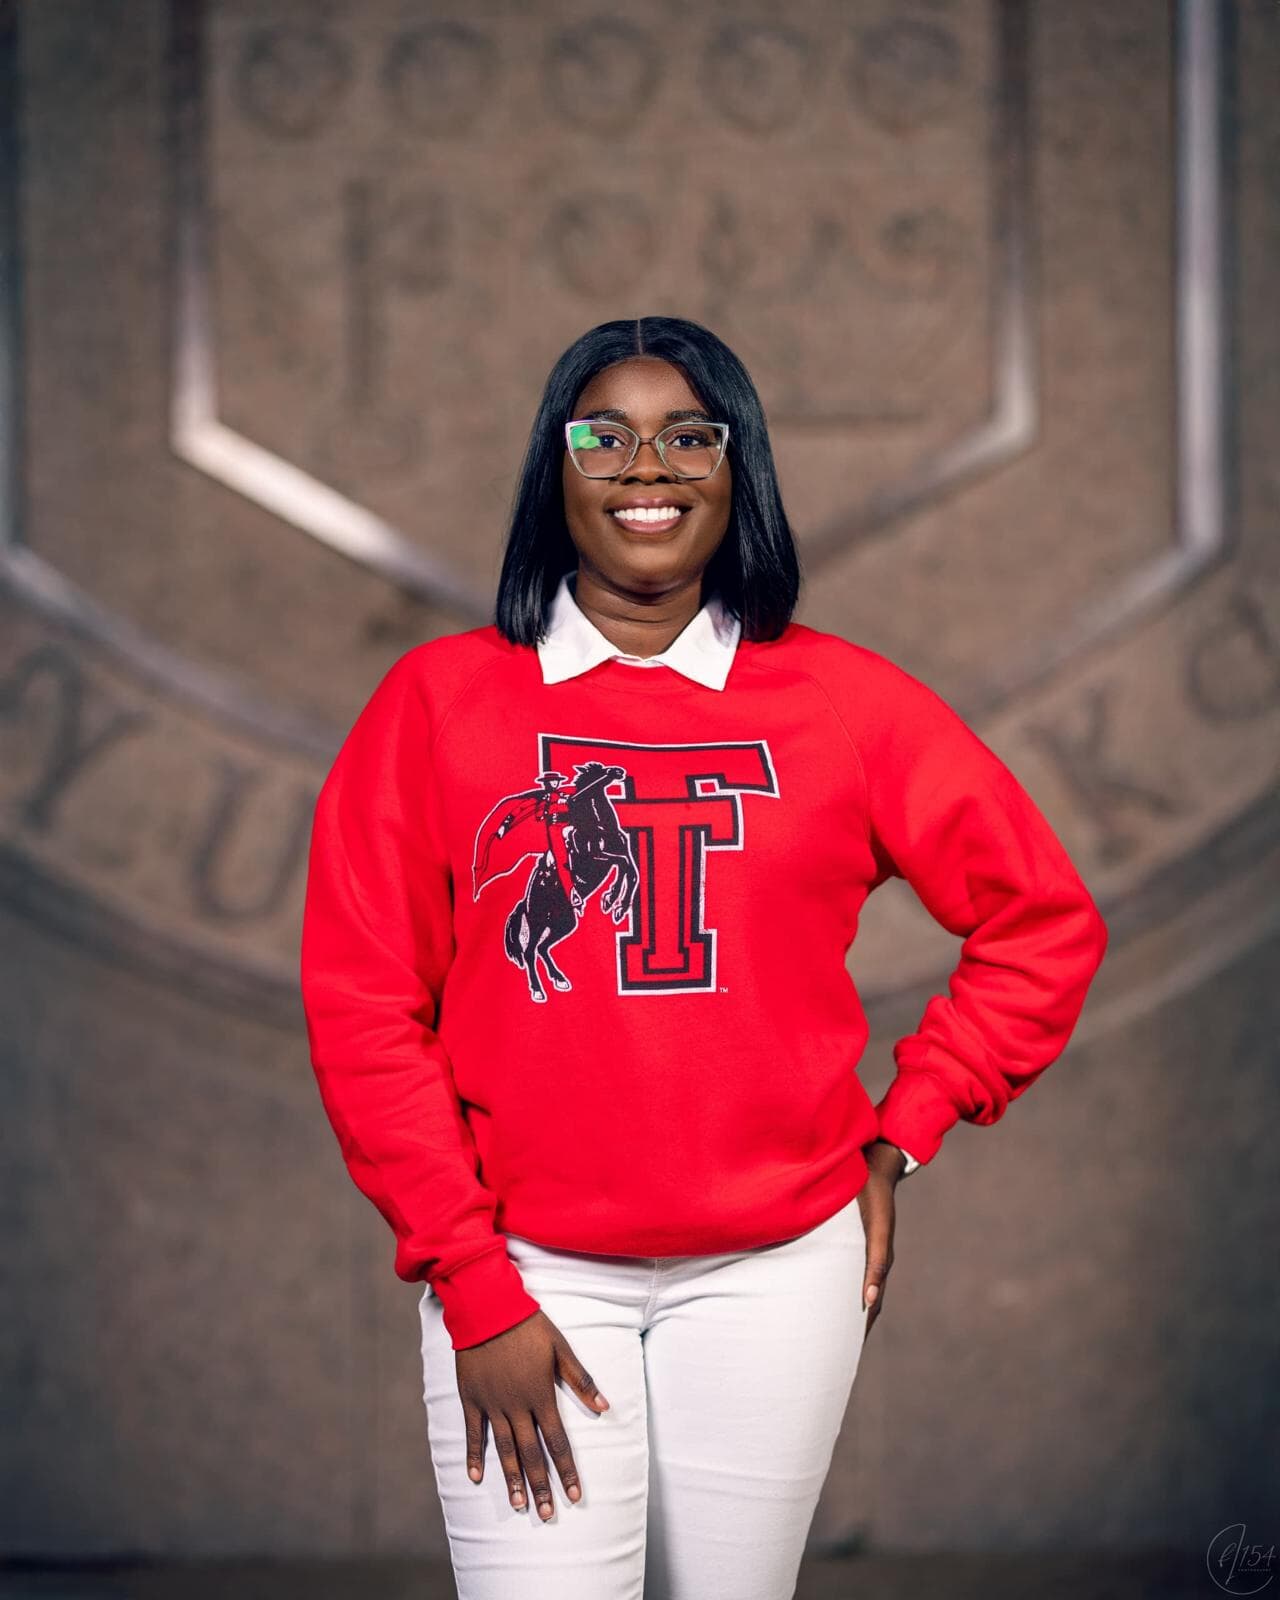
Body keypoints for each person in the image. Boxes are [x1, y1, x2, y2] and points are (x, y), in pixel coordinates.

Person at [298, 316, 1109, 1600]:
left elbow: (1041, 920)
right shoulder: (439, 704)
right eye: (602, 437)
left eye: (687, 436)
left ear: (738, 470)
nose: (645, 470)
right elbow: (363, 1009)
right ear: (552, 470)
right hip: (531, 1275)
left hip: (779, 1275)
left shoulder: (840, 702)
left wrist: (902, 1129)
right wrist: (474, 1286)